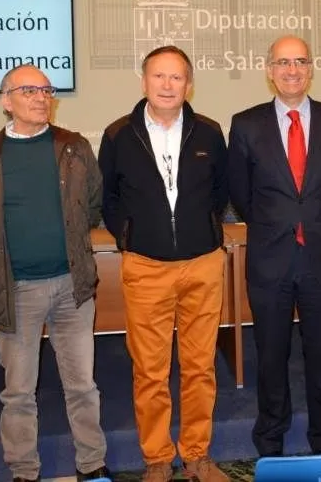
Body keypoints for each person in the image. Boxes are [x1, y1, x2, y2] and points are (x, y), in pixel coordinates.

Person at [0, 64, 110, 482]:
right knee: (19, 391)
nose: (41, 97)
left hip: (71, 288)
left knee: (82, 386)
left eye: (46, 90)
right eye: (29, 90)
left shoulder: (75, 148)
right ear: (6, 102)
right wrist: (8, 257)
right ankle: (24, 470)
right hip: (15, 289)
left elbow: (92, 204)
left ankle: (92, 465)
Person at [98, 45, 229, 482]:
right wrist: (130, 236)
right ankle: (156, 459)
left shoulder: (209, 133)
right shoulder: (118, 134)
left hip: (203, 266)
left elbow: (220, 192)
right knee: (150, 371)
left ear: (188, 84)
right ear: (144, 81)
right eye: (159, 76)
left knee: (199, 367)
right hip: (146, 268)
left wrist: (205, 229)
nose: (168, 85)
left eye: (177, 78)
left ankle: (196, 455)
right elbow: (109, 199)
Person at [228, 35, 321, 456]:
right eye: (283, 62)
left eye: (300, 61)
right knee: (271, 355)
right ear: (269, 70)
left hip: (320, 256)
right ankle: (270, 437)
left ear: (311, 68)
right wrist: (279, 223)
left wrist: (309, 220)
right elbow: (241, 195)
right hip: (270, 259)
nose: (292, 70)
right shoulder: (245, 124)